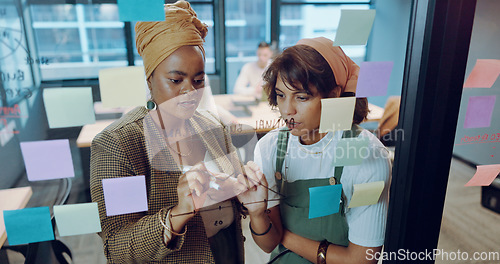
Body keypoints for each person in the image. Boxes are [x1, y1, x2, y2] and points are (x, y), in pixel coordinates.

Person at [90, 1, 261, 263]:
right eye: (176, 80)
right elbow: (118, 248)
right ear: (150, 78)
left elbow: (234, 205)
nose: (189, 92)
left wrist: (244, 193)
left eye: (198, 80)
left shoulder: (213, 128)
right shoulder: (121, 145)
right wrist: (178, 214)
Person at [246, 37, 391, 263]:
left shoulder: (366, 155)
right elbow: (267, 245)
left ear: (333, 95)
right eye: (281, 95)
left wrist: (284, 235)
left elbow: (361, 260)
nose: (287, 111)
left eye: (302, 97)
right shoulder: (270, 148)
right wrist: (256, 212)